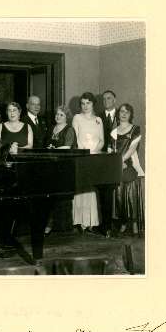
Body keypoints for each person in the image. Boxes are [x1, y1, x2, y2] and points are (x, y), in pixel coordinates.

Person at [110, 103, 145, 235]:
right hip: (116, 165)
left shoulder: (135, 129)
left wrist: (122, 161)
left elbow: (132, 149)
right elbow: (110, 149)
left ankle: (134, 222)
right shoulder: (114, 131)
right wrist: (116, 162)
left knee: (130, 186)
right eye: (121, 111)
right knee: (118, 190)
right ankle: (123, 222)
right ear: (118, 114)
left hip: (129, 163)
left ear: (131, 115)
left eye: (127, 112)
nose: (124, 114)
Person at [72, 92, 104, 232]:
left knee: (92, 189)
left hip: (94, 157)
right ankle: (79, 221)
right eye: (83, 103)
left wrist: (94, 152)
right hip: (81, 156)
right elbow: (75, 139)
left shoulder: (98, 120)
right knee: (81, 188)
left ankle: (91, 221)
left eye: (88, 103)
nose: (85, 106)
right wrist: (84, 153)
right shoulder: (77, 118)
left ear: (93, 104)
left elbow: (102, 140)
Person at [44, 106, 77, 234]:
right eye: (57, 114)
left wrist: (53, 150)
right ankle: (49, 223)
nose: (58, 116)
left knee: (61, 197)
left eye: (61, 115)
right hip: (50, 165)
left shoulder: (70, 129)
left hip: (64, 167)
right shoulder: (51, 128)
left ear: (67, 117)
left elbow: (67, 147)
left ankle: (62, 227)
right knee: (50, 195)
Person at [98, 89, 118, 236]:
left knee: (111, 191)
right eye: (104, 99)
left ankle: (115, 223)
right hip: (102, 159)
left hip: (118, 159)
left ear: (114, 100)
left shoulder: (122, 114)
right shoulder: (98, 117)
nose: (106, 101)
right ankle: (106, 226)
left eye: (109, 98)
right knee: (104, 191)